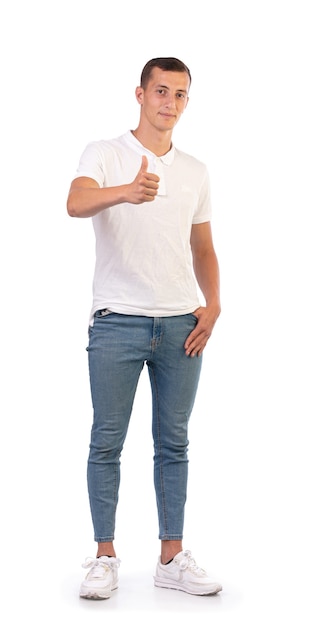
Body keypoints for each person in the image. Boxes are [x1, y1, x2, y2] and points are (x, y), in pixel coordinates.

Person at [67, 57, 222, 600]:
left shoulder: (196, 170)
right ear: (139, 94)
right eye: (161, 91)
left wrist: (214, 304)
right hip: (116, 321)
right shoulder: (106, 153)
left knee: (173, 443)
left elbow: (202, 246)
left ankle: (171, 558)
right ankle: (104, 556)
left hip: (182, 322)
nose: (170, 103)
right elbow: (75, 202)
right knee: (106, 440)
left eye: (180, 94)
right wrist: (124, 193)